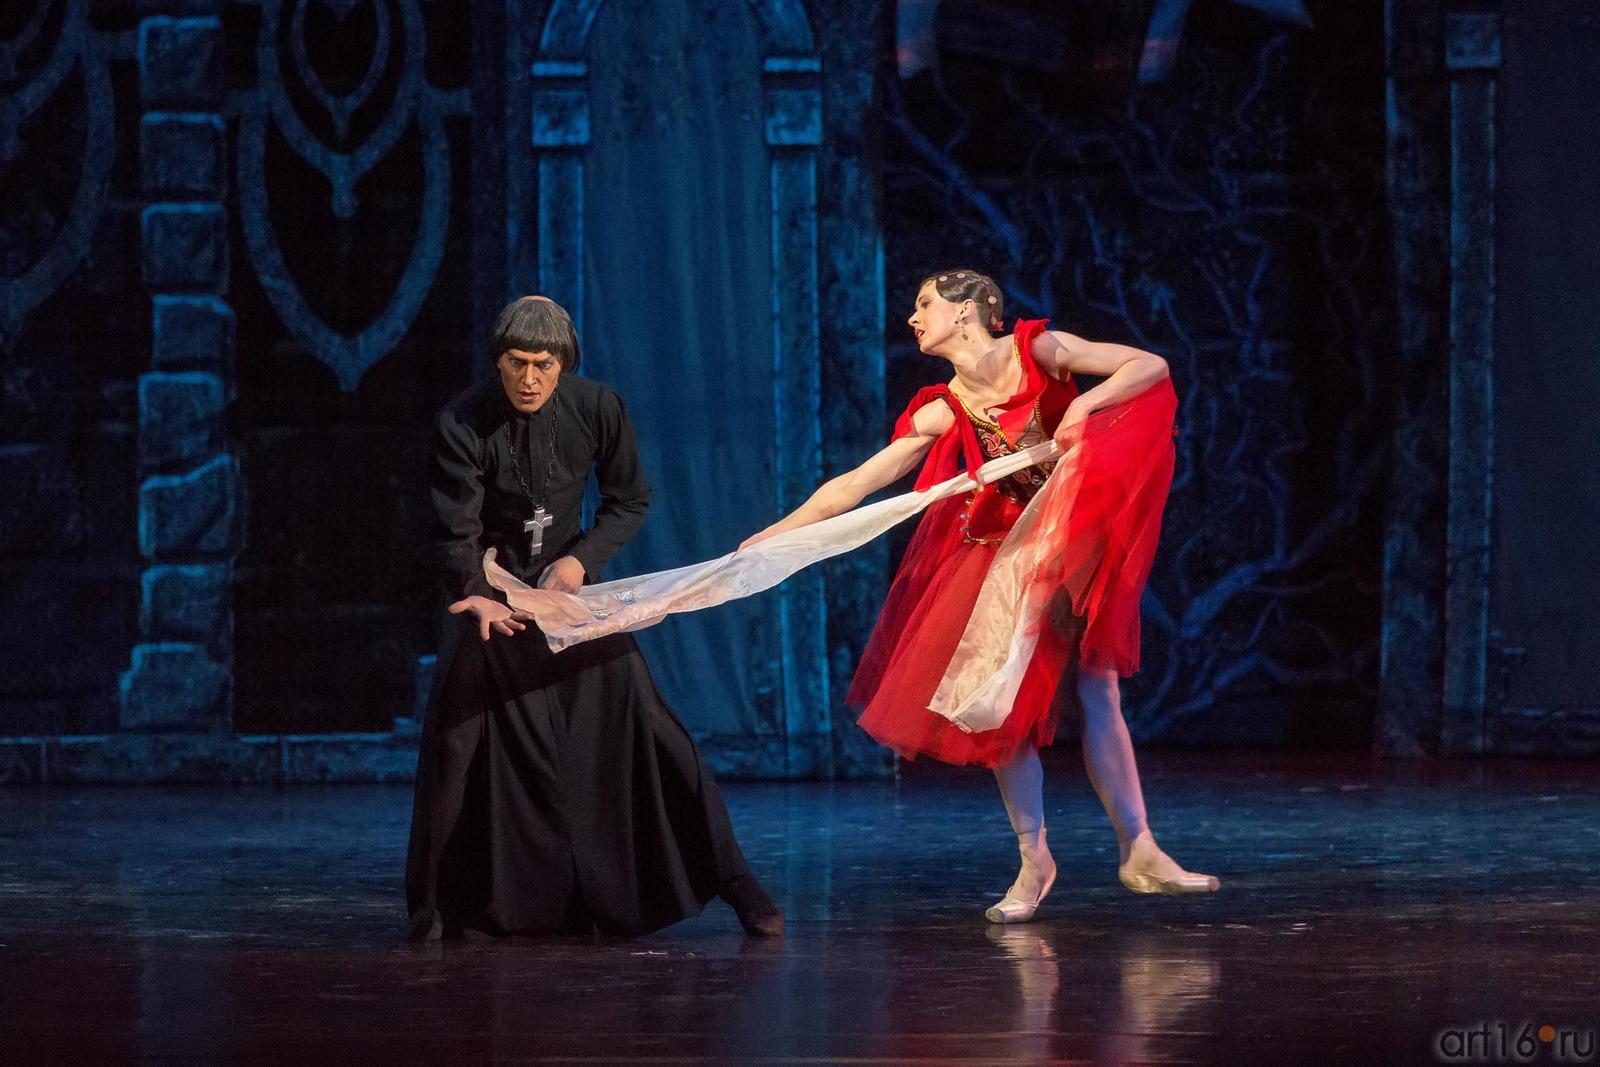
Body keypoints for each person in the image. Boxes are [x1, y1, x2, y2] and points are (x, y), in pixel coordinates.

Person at [742, 269, 1219, 923]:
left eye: (924, 304)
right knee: (998, 706)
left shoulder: (1038, 351)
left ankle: (1140, 848)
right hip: (1005, 555)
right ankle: (1034, 857)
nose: (913, 318)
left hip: (1073, 539)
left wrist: (1083, 407)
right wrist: (773, 537)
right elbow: (855, 484)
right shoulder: (944, 408)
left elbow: (1148, 366)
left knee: (1096, 685)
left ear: (966, 311)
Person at [405, 295, 782, 940]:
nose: (529, 379)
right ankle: (434, 911)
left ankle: (733, 879)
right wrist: (476, 592)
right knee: (456, 743)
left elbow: (629, 498)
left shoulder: (597, 407)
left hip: (569, 597)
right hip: (492, 596)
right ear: (498, 361)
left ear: (564, 364)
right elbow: (454, 530)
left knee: (656, 730)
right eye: (517, 363)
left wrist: (581, 560)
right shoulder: (462, 422)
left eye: (543, 366)